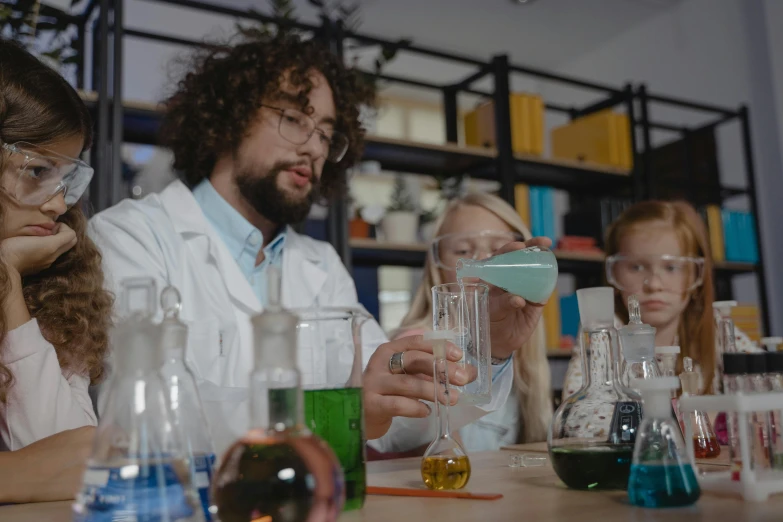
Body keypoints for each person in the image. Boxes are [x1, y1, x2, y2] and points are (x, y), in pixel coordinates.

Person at [88, 34, 547, 454]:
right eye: (294, 119)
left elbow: (399, 417)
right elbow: (143, 411)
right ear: (229, 117)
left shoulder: (321, 266)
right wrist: (340, 413)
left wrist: (489, 351)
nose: (315, 148)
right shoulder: (131, 235)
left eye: (327, 134)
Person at [0, 40, 112, 451]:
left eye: (66, 179)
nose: (58, 204)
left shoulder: (57, 290)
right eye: (37, 171)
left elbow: (66, 451)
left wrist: (7, 275)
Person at [393, 192, 552, 452]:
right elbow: (444, 455)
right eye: (464, 251)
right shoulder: (419, 349)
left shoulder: (523, 349)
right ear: (438, 265)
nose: (481, 261)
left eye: (497, 249)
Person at [562, 200, 760, 398]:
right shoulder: (602, 332)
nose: (654, 285)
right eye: (636, 267)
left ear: (696, 275)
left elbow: (769, 387)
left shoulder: (716, 329)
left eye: (671, 268)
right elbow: (580, 420)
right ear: (614, 273)